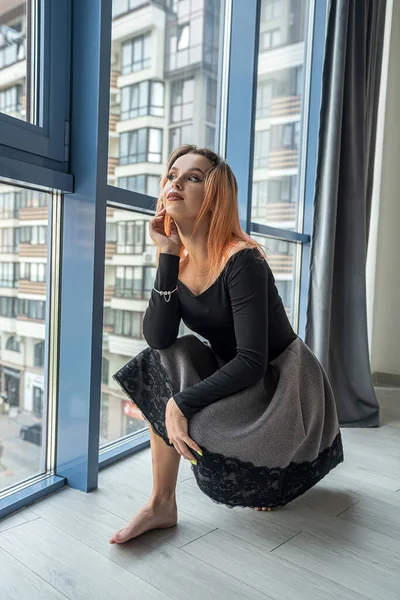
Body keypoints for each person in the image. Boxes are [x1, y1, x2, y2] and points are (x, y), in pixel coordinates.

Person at [110, 145, 344, 545]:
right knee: (156, 362)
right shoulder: (179, 265)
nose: (176, 182)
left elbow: (253, 360)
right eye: (172, 175)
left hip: (279, 386)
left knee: (203, 432)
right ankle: (161, 503)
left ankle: (278, 471)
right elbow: (158, 339)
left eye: (194, 177)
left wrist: (180, 403)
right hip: (230, 371)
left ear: (215, 196)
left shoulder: (243, 260)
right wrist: (167, 256)